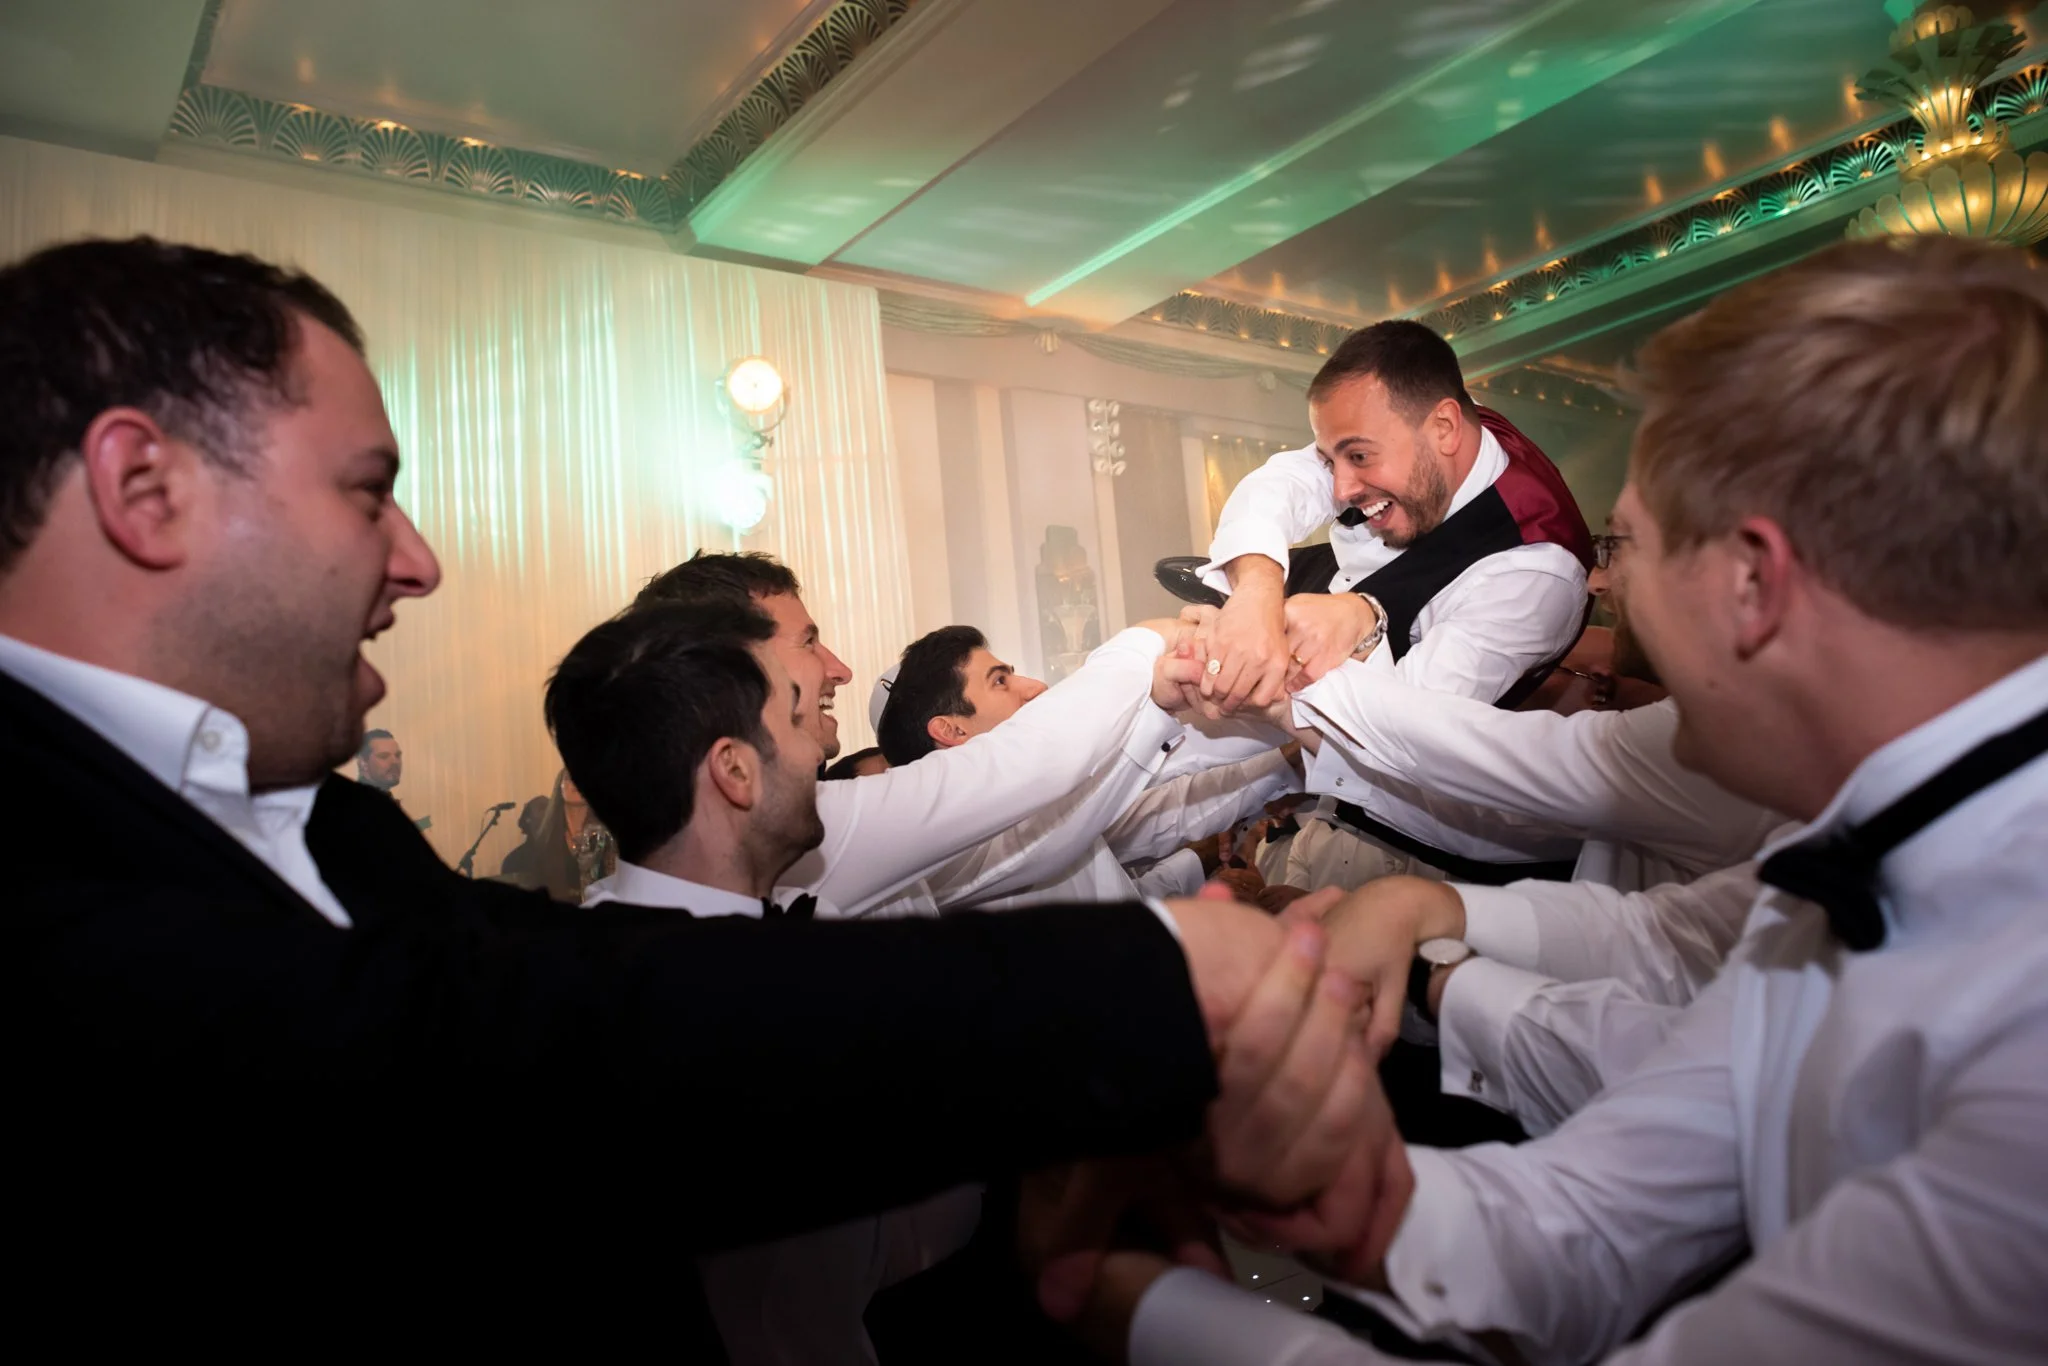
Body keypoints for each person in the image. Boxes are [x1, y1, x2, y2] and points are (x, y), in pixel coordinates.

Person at [0, 236, 1388, 1345]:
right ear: (145, 486)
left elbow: (564, 967)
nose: (417, 560)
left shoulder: (306, 815)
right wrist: (1153, 984)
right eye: (370, 492)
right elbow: (542, 1051)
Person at [1062, 234, 2048, 1365]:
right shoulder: (1839, 866)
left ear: (1753, 583)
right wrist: (1348, 1188)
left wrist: (1142, 1314)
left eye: (1627, 543)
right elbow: (1595, 1207)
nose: (1602, 581)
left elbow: (1540, 780)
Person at [550, 596, 989, 1365]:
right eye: (793, 721)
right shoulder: (658, 1019)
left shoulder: (791, 930)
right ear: (734, 771)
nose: (819, 752)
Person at [1191, 320, 1596, 882]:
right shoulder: (1417, 421)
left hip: (1438, 856)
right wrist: (1258, 594)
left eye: (1358, 457)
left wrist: (1290, 660)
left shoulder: (1535, 573)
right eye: (1332, 460)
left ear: (1447, 429)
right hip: (1340, 782)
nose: (1340, 490)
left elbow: (1397, 736)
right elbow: (1280, 484)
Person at [628, 555, 1252, 918]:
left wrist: (1159, 708)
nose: (837, 668)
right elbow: (1025, 770)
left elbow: (1049, 836)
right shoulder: (793, 829)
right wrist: (1148, 640)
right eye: (808, 641)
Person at [876, 623, 1298, 912]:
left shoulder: (1044, 802)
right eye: (999, 681)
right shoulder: (956, 841)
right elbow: (1138, 763)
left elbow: (1162, 809)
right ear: (951, 729)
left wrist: (1290, 759)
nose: (1034, 688)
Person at [495, 793, 550, 878]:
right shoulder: (513, 861)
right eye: (542, 808)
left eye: (550, 808)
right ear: (528, 819)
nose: (547, 812)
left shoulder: (565, 852)